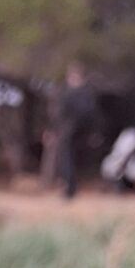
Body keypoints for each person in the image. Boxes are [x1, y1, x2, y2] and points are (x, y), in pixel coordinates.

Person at [50, 62, 95, 199]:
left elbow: (60, 114)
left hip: (68, 131)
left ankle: (69, 189)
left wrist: (53, 129)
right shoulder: (88, 94)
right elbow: (91, 114)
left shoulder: (69, 94)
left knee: (66, 160)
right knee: (73, 160)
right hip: (82, 132)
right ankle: (71, 187)